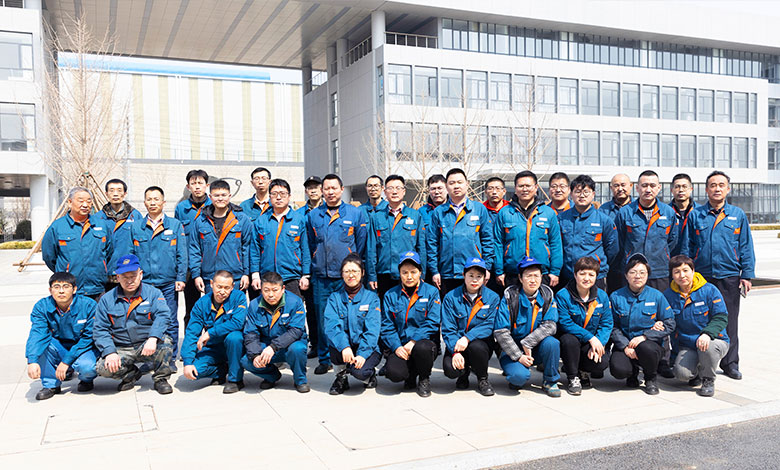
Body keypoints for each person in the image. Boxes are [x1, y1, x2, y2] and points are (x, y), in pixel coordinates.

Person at [684, 171, 754, 380]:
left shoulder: (737, 215)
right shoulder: (696, 215)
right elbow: (687, 247)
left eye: (721, 185)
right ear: (706, 189)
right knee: (699, 320)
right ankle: (700, 364)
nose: (717, 189)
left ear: (728, 189)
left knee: (730, 320)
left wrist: (746, 275)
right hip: (702, 278)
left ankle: (730, 363)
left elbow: (746, 246)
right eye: (713, 185)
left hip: (728, 275)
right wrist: (687, 274)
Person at [306, 174, 368, 375]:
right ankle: (325, 359)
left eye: (334, 188)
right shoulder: (314, 216)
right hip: (322, 277)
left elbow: (361, 244)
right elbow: (310, 244)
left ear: (342, 189)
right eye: (327, 188)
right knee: (324, 319)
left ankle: (349, 354)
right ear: (322, 191)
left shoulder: (355, 213)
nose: (330, 192)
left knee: (349, 318)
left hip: (347, 277)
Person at [93, 255, 174, 394]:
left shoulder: (153, 293)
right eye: (124, 277)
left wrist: (153, 338)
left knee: (165, 343)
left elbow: (163, 316)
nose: (129, 281)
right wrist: (110, 352)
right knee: (102, 368)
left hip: (146, 344)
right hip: (122, 347)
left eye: (133, 276)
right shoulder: (106, 299)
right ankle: (130, 374)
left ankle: (161, 379)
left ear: (140, 274)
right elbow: (100, 329)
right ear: (117, 277)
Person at [130, 186, 187, 364]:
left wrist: (180, 278)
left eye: (156, 199)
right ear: (144, 202)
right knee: (144, 320)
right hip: (145, 284)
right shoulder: (136, 227)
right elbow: (131, 255)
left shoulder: (175, 225)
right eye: (149, 199)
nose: (153, 202)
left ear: (163, 202)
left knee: (170, 320)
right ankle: (149, 359)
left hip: (168, 283)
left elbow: (182, 254)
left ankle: (170, 359)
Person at [494, 257, 561, 397]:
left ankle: (550, 381)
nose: (533, 280)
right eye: (528, 276)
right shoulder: (510, 296)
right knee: (518, 377)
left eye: (536, 276)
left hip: (536, 346)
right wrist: (519, 356)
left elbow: (551, 325)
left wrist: (528, 342)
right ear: (520, 278)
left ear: (541, 277)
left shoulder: (547, 294)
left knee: (552, 343)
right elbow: (501, 332)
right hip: (513, 349)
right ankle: (515, 372)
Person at [663, 255, 729, 397]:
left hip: (714, 340)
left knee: (708, 348)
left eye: (685, 270)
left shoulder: (709, 290)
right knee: (681, 374)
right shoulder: (668, 295)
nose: (682, 275)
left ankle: (708, 379)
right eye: (677, 272)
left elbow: (721, 317)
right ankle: (698, 371)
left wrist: (707, 334)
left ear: (693, 271)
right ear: (672, 275)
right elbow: (664, 318)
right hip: (688, 344)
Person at [609, 254, 675, 395]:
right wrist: (625, 346)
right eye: (633, 272)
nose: (637, 276)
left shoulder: (657, 296)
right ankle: (632, 373)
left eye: (642, 272)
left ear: (647, 275)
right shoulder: (616, 296)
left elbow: (669, 323)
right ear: (626, 275)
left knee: (646, 348)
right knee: (618, 369)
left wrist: (645, 336)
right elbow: (612, 325)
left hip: (650, 345)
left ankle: (650, 378)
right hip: (625, 344)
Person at [26, 272, 98, 400]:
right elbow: (37, 333)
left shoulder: (88, 305)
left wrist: (66, 362)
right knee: (43, 345)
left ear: (74, 289)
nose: (61, 291)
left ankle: (86, 380)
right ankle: (51, 385)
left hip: (83, 347)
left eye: (66, 286)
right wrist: (32, 360)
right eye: (56, 287)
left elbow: (88, 337)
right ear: (50, 290)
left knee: (87, 367)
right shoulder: (42, 306)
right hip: (59, 345)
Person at [380, 251, 440, 397]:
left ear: (420, 272)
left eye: (413, 272)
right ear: (399, 273)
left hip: (423, 344)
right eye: (404, 272)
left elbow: (433, 322)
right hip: (401, 345)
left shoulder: (431, 292)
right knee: (394, 373)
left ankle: (424, 378)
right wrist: (396, 346)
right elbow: (387, 326)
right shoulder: (390, 295)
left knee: (423, 348)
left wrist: (413, 341)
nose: (409, 276)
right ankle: (410, 376)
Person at [428, 168, 494, 295]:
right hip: (447, 273)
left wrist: (487, 267)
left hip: (474, 271)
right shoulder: (439, 212)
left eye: (460, 182)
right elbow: (432, 243)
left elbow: (488, 241)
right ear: (446, 186)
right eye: (452, 183)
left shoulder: (479, 209)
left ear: (467, 184)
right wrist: (435, 271)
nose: (456, 186)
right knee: (449, 305)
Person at [242, 271, 310, 393]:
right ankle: (271, 376)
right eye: (266, 290)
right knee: (246, 361)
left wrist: (273, 347)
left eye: (275, 290)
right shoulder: (254, 305)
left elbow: (296, 331)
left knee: (298, 349)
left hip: (289, 345)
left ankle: (300, 380)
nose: (270, 295)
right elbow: (251, 333)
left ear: (283, 289)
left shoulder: (295, 302)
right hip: (267, 345)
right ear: (261, 290)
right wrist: (255, 354)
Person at [181, 270, 247, 394]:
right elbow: (192, 333)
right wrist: (188, 362)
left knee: (234, 337)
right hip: (213, 348)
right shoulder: (201, 304)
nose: (222, 291)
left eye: (227, 288)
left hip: (234, 347)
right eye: (219, 287)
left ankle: (235, 380)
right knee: (194, 371)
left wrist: (210, 333)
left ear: (233, 286)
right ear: (211, 284)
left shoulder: (239, 297)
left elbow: (237, 323)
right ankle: (221, 371)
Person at [441, 257, 500, 396]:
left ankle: (483, 378)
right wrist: (455, 351)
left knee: (477, 347)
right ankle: (463, 374)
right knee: (450, 370)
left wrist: (467, 338)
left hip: (480, 344)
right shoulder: (451, 297)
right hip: (457, 344)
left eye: (479, 276)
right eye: (471, 275)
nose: (474, 280)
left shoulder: (493, 297)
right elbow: (448, 328)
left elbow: (489, 324)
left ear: (485, 278)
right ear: (464, 275)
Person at [324, 254, 382, 394]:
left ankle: (369, 376)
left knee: (360, 373)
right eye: (347, 271)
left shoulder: (372, 298)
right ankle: (341, 378)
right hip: (345, 347)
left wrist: (362, 354)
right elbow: (331, 326)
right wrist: (344, 346)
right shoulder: (334, 298)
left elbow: (373, 330)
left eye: (355, 271)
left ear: (362, 273)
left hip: (366, 346)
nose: (351, 275)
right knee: (334, 343)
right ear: (342, 274)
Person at [494, 171, 562, 289]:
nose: (525, 189)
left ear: (536, 188)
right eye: (521, 186)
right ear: (515, 188)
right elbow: (498, 243)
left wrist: (555, 271)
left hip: (541, 273)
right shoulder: (505, 213)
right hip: (512, 273)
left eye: (528, 186)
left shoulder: (548, 213)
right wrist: (499, 271)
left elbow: (555, 243)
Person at [42, 187, 113, 300]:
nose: (85, 205)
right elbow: (49, 256)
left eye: (89, 201)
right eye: (80, 201)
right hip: (69, 288)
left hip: (97, 287)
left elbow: (109, 252)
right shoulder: (58, 227)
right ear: (70, 202)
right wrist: (66, 269)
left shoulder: (101, 225)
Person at [555, 257, 612, 395]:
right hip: (571, 341)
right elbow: (565, 322)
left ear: (596, 277)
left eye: (591, 275)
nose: (587, 278)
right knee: (569, 340)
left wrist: (599, 342)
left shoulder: (602, 296)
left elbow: (607, 323)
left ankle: (583, 371)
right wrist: (590, 338)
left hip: (590, 341)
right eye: (582, 274)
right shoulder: (563, 295)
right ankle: (573, 377)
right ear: (575, 275)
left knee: (601, 363)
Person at [614, 170, 679, 291]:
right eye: (644, 186)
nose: (648, 190)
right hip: (633, 271)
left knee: (658, 301)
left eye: (652, 186)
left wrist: (662, 254)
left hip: (659, 270)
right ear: (637, 188)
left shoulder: (668, 212)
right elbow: (619, 241)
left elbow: (673, 240)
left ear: (659, 188)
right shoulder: (625, 212)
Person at [189, 179, 253, 295]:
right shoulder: (201, 221)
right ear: (210, 197)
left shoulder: (241, 219)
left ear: (229, 196)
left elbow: (247, 248)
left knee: (236, 306)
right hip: (210, 278)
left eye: (223, 195)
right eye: (216, 195)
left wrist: (246, 273)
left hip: (235, 277)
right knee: (212, 306)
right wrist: (196, 275)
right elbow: (195, 249)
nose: (220, 198)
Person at [367, 174, 426, 300]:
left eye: (398, 188)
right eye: (390, 188)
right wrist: (372, 275)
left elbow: (421, 247)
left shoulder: (415, 216)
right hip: (384, 274)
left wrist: (422, 274)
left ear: (404, 191)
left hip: (409, 274)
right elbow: (371, 249)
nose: (394, 191)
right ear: (384, 192)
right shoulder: (376, 217)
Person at [250, 178, 310, 299]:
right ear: (269, 197)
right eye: (274, 194)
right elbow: (255, 250)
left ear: (289, 196)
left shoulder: (299, 220)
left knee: (292, 308)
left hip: (292, 277)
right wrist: (255, 275)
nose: (278, 197)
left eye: (282, 194)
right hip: (267, 277)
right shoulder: (261, 221)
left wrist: (306, 275)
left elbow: (305, 249)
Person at [558, 175, 618, 290]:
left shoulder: (604, 220)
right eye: (578, 192)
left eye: (586, 192)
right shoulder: (562, 218)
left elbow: (612, 249)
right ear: (571, 194)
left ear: (593, 194)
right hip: (568, 275)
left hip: (595, 276)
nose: (582, 195)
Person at [174, 169, 211, 326]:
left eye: (200, 183)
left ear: (207, 185)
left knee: (211, 307)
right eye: (193, 183)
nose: (197, 187)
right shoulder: (181, 208)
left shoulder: (214, 206)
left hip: (209, 263)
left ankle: (210, 339)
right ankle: (191, 340)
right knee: (191, 308)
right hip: (189, 266)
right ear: (188, 187)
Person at [94, 178, 143, 291]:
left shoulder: (135, 216)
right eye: (111, 190)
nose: (115, 194)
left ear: (125, 193)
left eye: (119, 190)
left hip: (129, 272)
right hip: (105, 274)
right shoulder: (98, 217)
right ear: (106, 194)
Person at [297, 175, 323, 358]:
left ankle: (327, 345)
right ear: (306, 191)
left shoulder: (328, 210)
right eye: (309, 187)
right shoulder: (299, 214)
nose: (313, 190)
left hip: (323, 265)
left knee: (325, 309)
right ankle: (314, 343)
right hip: (306, 268)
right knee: (311, 310)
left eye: (316, 187)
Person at [600, 173, 633, 293]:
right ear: (611, 188)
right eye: (616, 185)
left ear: (631, 186)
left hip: (632, 263)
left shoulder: (637, 208)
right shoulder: (603, 210)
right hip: (611, 266)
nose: (620, 189)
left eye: (623, 185)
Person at [670, 173, 697, 257]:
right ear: (672, 190)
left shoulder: (700, 213)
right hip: (670, 260)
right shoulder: (664, 212)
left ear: (691, 189)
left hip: (693, 260)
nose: (681, 190)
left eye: (684, 187)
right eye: (677, 187)